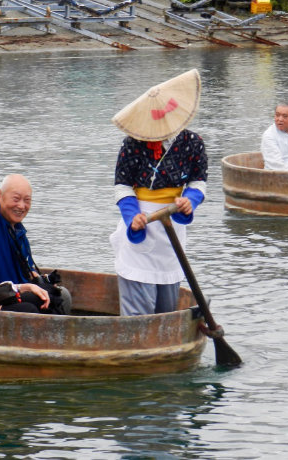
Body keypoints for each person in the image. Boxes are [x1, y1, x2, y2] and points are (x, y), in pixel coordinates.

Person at [109, 69, 207, 316]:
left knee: (166, 308)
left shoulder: (193, 142)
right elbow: (122, 185)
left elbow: (198, 182)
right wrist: (133, 217)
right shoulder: (132, 143)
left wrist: (189, 202)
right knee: (138, 312)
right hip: (142, 220)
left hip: (171, 228)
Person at [0, 140, 71, 314]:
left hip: (15, 293)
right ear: (1, 197)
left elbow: (28, 274)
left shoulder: (18, 232)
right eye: (16, 199)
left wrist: (41, 280)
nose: (21, 206)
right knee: (31, 308)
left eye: (27, 200)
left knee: (61, 295)